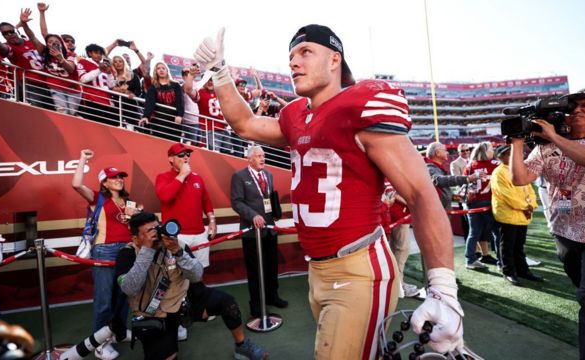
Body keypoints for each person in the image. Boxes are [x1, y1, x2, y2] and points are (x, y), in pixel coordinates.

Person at [194, 24, 464, 358]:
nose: (294, 62)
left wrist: (443, 289)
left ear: (335, 59)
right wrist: (220, 73)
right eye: (291, 55)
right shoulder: (295, 114)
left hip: (359, 268)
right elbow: (246, 124)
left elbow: (422, 193)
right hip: (318, 270)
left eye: (305, 52)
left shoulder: (361, 104)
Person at [509, 88, 585, 359]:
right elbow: (520, 178)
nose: (577, 109)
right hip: (564, 233)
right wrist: (517, 144)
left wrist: (553, 136)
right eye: (573, 105)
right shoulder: (546, 147)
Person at [72, 149, 139, 360]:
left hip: (128, 250)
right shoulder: (98, 197)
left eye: (120, 177)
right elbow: (76, 184)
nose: (119, 180)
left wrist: (135, 216)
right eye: (114, 177)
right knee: (104, 300)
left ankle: (117, 332)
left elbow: (137, 225)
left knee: (123, 295)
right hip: (104, 250)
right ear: (104, 182)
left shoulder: (129, 202)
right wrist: (83, 159)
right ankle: (100, 343)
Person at [116, 212, 203, 360]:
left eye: (157, 228)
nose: (156, 234)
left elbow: (196, 276)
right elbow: (129, 288)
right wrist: (147, 250)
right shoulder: (127, 254)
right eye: (149, 231)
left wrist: (178, 252)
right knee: (162, 355)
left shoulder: (175, 245)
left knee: (228, 305)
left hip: (174, 306)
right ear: (135, 238)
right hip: (148, 314)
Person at [230, 145, 287, 318]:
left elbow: (268, 199)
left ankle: (272, 296)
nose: (263, 159)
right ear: (249, 159)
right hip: (251, 232)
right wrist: (253, 215)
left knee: (272, 266)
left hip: (269, 230)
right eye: (258, 156)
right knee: (255, 270)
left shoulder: (268, 175)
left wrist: (275, 214)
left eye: (263, 155)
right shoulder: (239, 177)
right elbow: (237, 202)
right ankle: (255, 305)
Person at [490, 145, 541, 285]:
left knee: (519, 245)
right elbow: (506, 194)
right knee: (507, 246)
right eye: (508, 154)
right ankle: (508, 272)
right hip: (508, 214)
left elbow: (529, 188)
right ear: (499, 157)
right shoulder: (498, 172)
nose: (512, 156)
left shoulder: (518, 169)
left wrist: (532, 205)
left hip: (522, 214)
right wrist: (525, 206)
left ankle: (523, 270)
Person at [463, 141, 500, 269]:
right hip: (489, 201)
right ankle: (502, 261)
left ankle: (470, 259)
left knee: (474, 233)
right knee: (497, 232)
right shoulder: (496, 164)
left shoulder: (470, 165)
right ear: (485, 151)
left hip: (472, 203)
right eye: (491, 149)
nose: (493, 151)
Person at [381, 183, 418, 298]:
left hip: (394, 213)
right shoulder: (394, 168)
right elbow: (393, 193)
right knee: (401, 249)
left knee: (395, 250)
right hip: (396, 214)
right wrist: (415, 204)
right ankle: (397, 285)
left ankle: (395, 283)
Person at [139, 62, 184, 141]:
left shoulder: (176, 85)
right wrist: (146, 116)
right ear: (156, 71)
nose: (161, 70)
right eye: (158, 68)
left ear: (167, 71)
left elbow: (180, 102)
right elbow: (150, 103)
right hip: (159, 121)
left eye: (163, 68)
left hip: (174, 120)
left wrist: (180, 115)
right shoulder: (153, 87)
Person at [450, 143, 471, 240]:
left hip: (474, 193)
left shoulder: (472, 160)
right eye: (463, 151)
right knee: (466, 220)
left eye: (467, 150)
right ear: (459, 152)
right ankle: (467, 241)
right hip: (463, 194)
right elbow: (457, 180)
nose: (466, 152)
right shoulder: (455, 163)